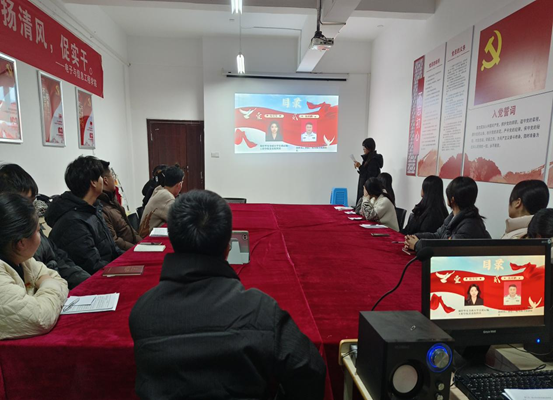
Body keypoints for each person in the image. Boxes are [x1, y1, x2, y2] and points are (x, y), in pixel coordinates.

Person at [129, 190, 326, 399]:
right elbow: (311, 371)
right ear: (228, 248)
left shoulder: (143, 311)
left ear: (172, 239)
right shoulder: (261, 310)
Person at [0, 164, 90, 289]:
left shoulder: (34, 230)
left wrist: (88, 281)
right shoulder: (10, 248)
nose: (31, 209)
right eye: (25, 203)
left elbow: (60, 259)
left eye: (32, 202)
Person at [0, 193, 68, 340]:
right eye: (38, 231)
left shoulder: (22, 259)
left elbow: (59, 279)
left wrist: (42, 292)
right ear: (21, 243)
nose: (41, 236)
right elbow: (40, 318)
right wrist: (47, 283)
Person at [45, 156, 123, 275]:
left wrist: (130, 260)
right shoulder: (73, 222)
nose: (103, 180)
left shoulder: (93, 209)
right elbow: (92, 265)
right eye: (100, 177)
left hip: (109, 270)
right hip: (96, 278)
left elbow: (112, 249)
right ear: (93, 182)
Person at [405, 177, 491, 252]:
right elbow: (438, 235)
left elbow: (448, 250)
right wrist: (416, 237)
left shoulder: (470, 225)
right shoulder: (454, 216)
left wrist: (417, 245)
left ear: (452, 200)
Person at [98, 161, 142, 251]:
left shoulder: (112, 199)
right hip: (126, 253)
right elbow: (115, 241)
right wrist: (137, 249)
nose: (114, 180)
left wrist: (143, 243)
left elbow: (129, 228)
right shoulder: (101, 208)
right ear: (105, 180)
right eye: (113, 176)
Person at [139, 165, 184, 236]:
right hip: (148, 239)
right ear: (179, 185)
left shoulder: (160, 190)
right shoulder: (166, 197)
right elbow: (180, 220)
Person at [354, 138, 383, 204]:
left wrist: (360, 167)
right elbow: (364, 172)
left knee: (366, 205)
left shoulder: (373, 160)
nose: (363, 149)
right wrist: (359, 167)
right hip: (365, 187)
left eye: (364, 147)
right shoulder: (368, 158)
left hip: (369, 189)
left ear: (369, 148)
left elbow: (369, 176)